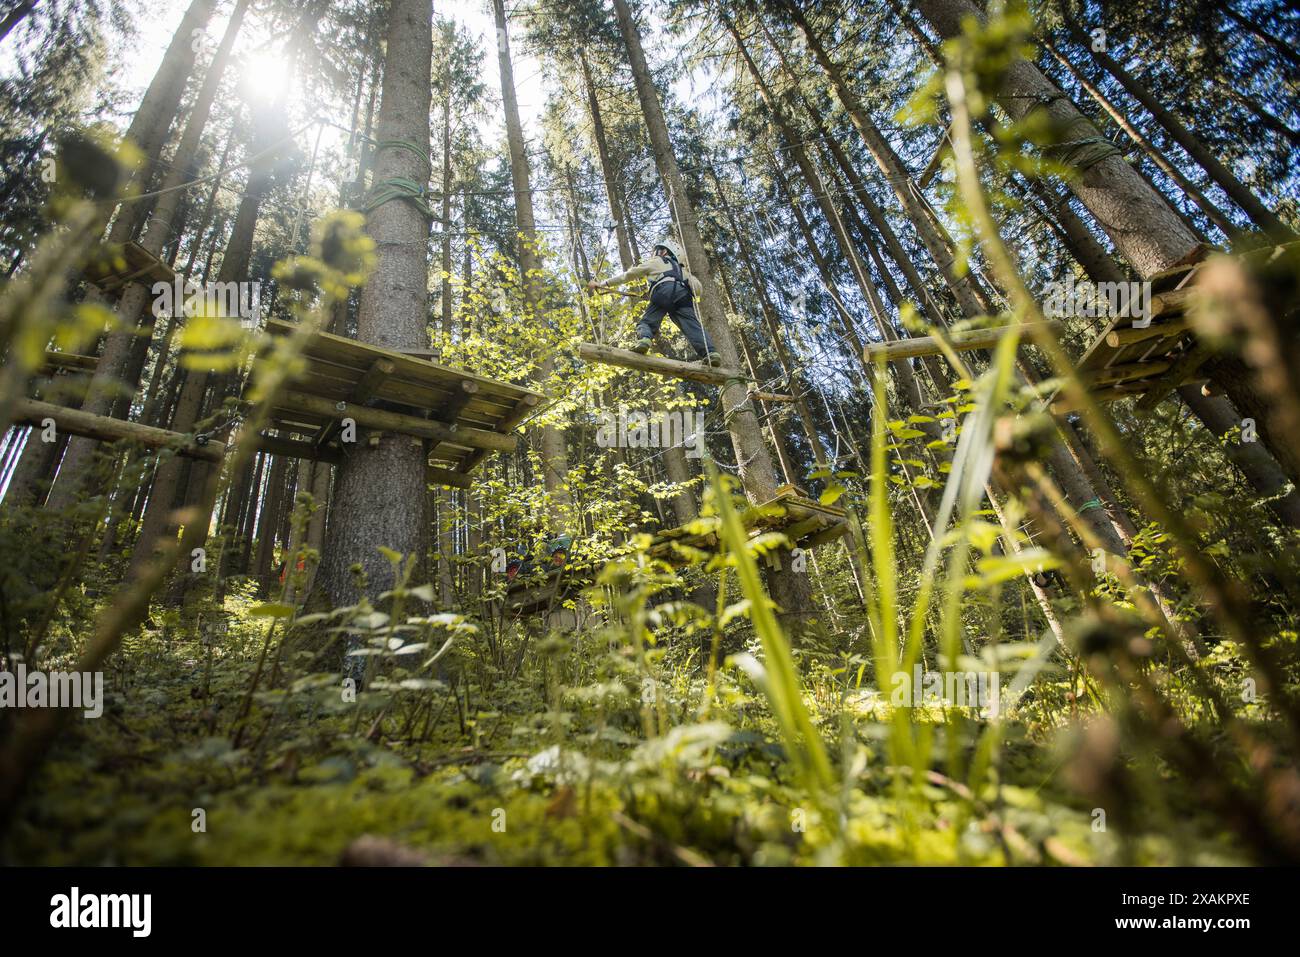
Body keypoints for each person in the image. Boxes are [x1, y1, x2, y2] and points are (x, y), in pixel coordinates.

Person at [588, 238, 722, 366]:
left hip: (663, 291)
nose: (655, 254)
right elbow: (698, 290)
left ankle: (645, 339)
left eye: (658, 251)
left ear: (664, 252)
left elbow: (628, 275)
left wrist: (603, 284)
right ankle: (710, 353)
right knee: (693, 326)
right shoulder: (683, 271)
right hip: (683, 296)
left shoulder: (656, 261)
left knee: (647, 322)